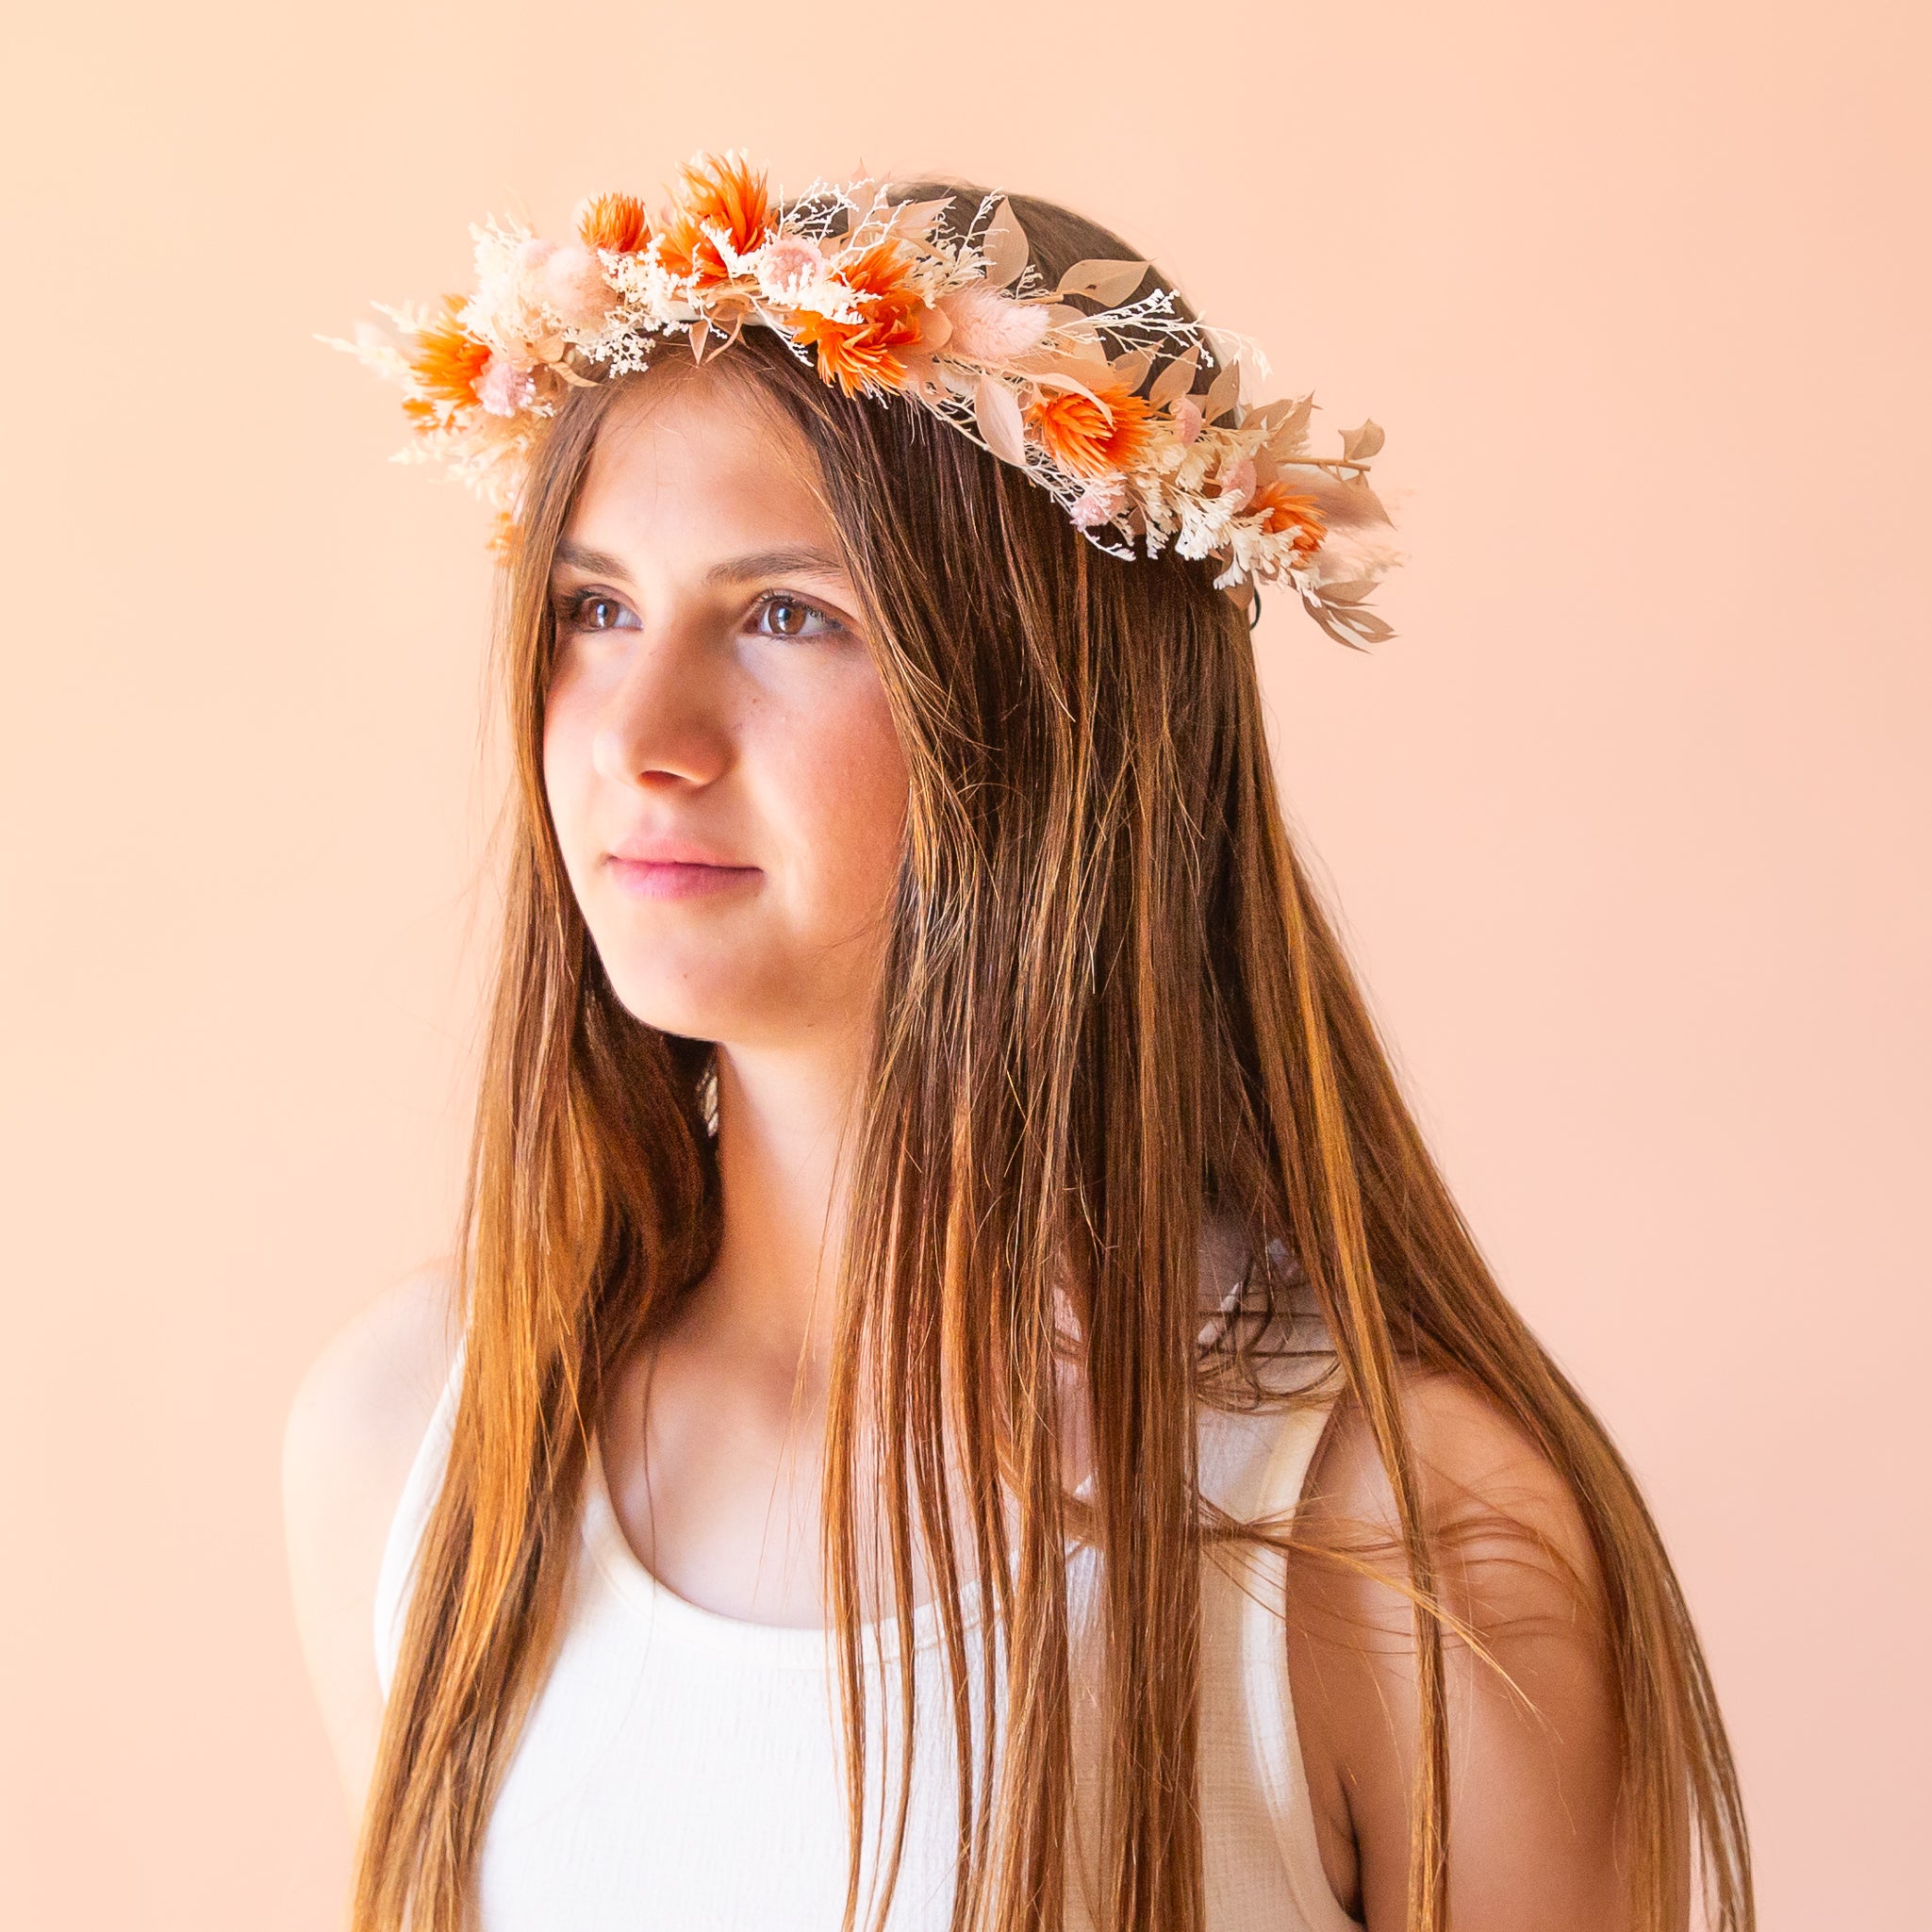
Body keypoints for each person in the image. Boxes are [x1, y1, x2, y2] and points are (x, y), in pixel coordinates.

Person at [284, 153, 1752, 1932]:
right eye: (594, 607)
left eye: (785, 616)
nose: (639, 736)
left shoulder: (1397, 1540)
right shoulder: (420, 1447)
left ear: (1060, 709)